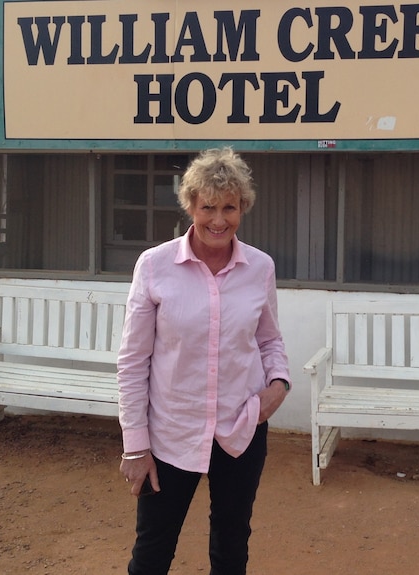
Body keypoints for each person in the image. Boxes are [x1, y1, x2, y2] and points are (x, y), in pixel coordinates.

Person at [117, 147, 291, 575]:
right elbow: (133, 360)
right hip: (171, 435)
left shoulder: (260, 268)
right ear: (190, 206)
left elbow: (269, 340)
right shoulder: (155, 266)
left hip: (241, 430)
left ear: (242, 208)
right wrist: (135, 446)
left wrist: (279, 385)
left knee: (232, 549)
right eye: (207, 207)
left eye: (228, 207)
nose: (218, 219)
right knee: (152, 552)